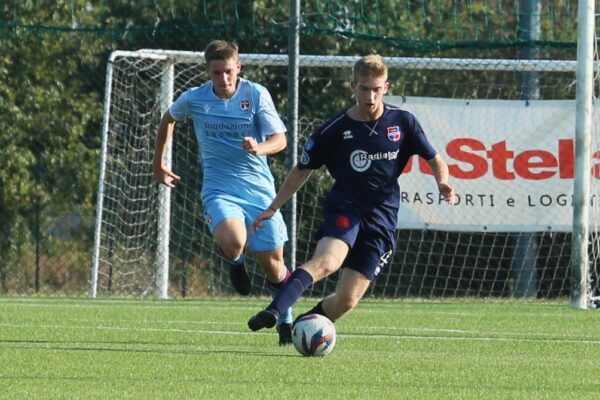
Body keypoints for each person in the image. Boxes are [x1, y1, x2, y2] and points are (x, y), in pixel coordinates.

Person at [247, 54, 455, 332]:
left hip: (382, 218)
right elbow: (302, 170)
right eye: (365, 88)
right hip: (346, 208)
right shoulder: (334, 130)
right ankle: (275, 310)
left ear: (387, 87)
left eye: (377, 89)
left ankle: (297, 328)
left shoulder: (403, 121)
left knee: (346, 300)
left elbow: (435, 159)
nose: (370, 96)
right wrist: (274, 207)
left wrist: (442, 182)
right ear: (353, 86)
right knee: (327, 261)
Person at [153, 40, 294, 345]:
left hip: (259, 192)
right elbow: (169, 119)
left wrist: (260, 147)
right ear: (208, 72)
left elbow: (280, 140)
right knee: (234, 241)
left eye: (229, 72)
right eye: (217, 73)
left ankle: (286, 320)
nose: (224, 79)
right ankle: (233, 261)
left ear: (238, 68)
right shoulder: (195, 98)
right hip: (219, 187)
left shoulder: (255, 95)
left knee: (273, 265)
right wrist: (159, 163)